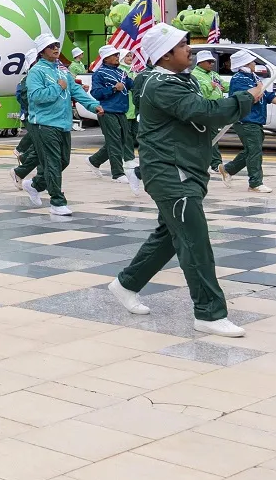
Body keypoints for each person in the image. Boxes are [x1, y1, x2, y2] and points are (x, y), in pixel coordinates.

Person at [108, 24, 263, 337]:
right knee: (195, 242)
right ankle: (208, 312)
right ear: (165, 56)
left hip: (184, 169)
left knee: (169, 235)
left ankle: (126, 283)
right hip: (170, 173)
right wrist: (245, 99)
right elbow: (202, 111)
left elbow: (198, 116)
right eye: (183, 46)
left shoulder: (177, 79)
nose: (190, 50)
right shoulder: (161, 84)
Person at [15, 32, 101, 217]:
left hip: (63, 124)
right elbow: (36, 97)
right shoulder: (36, 72)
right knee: (53, 163)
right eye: (51, 46)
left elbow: (76, 90)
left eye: (56, 45)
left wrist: (93, 105)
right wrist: (58, 87)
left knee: (63, 161)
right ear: (42, 51)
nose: (56, 48)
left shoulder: (62, 70)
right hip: (44, 124)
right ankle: (57, 201)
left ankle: (35, 184)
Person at [223, 51, 276, 193]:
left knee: (251, 149)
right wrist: (258, 89)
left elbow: (267, 96)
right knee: (254, 151)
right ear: (245, 64)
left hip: (256, 120)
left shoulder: (254, 78)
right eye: (252, 62)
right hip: (246, 120)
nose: (254, 64)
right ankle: (255, 183)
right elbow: (247, 97)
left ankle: (228, 169)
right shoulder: (239, 79)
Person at [87, 46, 133, 183]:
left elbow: (132, 85)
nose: (117, 57)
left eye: (118, 55)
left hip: (121, 110)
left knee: (124, 140)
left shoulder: (122, 72)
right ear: (106, 58)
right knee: (114, 141)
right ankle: (117, 173)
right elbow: (95, 93)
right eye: (114, 55)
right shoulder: (99, 73)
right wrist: (113, 89)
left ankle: (94, 161)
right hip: (107, 111)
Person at [191, 49, 229, 174]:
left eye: (212, 61)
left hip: (216, 108)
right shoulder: (195, 75)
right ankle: (215, 164)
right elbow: (201, 93)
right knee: (211, 137)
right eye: (208, 61)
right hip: (205, 109)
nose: (211, 64)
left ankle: (202, 161)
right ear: (200, 62)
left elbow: (224, 85)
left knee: (208, 137)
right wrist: (211, 86)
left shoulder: (214, 74)